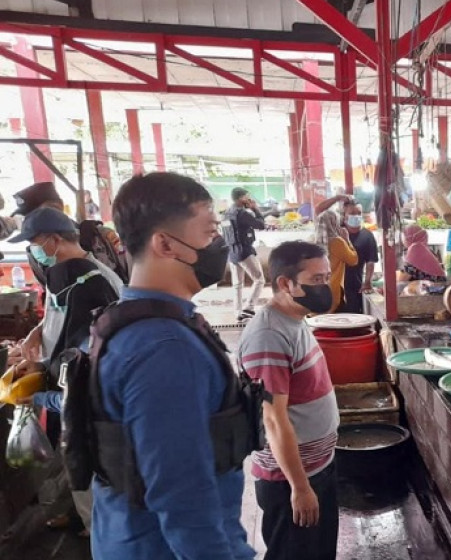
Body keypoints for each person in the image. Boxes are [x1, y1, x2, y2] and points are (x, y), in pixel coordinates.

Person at [90, 172, 255, 560]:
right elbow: (182, 496)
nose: (219, 244)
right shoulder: (165, 347)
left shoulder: (122, 321)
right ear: (165, 244)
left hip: (125, 538)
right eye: (210, 232)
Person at [10, 207, 122, 538]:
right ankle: (85, 518)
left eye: (34, 244)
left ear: (54, 240)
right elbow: (60, 318)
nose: (33, 251)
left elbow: (89, 355)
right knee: (73, 454)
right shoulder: (65, 274)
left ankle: (99, 531)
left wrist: (44, 388)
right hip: (64, 381)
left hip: (83, 390)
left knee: (88, 457)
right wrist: (37, 336)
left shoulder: (95, 280)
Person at [237, 241, 339, 560]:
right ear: (285, 284)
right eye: (317, 280)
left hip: (316, 468)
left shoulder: (295, 319)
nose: (325, 286)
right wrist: (300, 487)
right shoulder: (268, 336)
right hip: (290, 481)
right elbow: (273, 419)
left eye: (326, 277)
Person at [11, 181, 129, 286]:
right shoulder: (36, 252)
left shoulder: (100, 236)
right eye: (26, 216)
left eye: (37, 213)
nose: (30, 221)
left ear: (58, 206)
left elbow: (128, 274)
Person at [222, 187, 267, 321]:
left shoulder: (226, 213)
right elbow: (261, 225)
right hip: (244, 251)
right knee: (259, 280)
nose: (249, 199)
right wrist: (255, 209)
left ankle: (238, 312)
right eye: (247, 196)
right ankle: (249, 308)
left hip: (232, 252)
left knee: (237, 285)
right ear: (241, 198)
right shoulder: (242, 214)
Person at [314, 211, 358, 313]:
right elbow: (353, 260)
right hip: (333, 290)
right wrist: (347, 240)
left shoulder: (313, 241)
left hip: (317, 290)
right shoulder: (338, 242)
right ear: (334, 223)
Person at [340, 200, 378, 313]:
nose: (356, 216)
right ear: (344, 216)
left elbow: (370, 261)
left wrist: (367, 281)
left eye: (359, 213)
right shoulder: (337, 233)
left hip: (355, 286)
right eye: (352, 213)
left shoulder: (367, 236)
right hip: (336, 286)